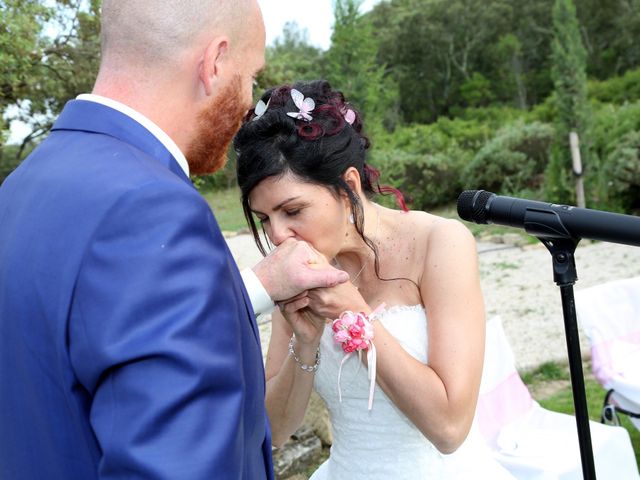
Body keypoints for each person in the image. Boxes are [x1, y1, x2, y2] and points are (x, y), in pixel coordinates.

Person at [0, 2, 348, 479]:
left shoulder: (20, 188)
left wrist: (260, 286)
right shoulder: (154, 208)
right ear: (215, 63)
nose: (250, 103)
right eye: (250, 76)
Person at [234, 80, 516, 479]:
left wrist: (355, 316)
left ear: (348, 185)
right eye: (266, 219)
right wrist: (307, 340)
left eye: (293, 210)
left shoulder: (440, 244)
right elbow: (276, 430)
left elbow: (450, 428)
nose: (278, 236)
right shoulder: (297, 271)